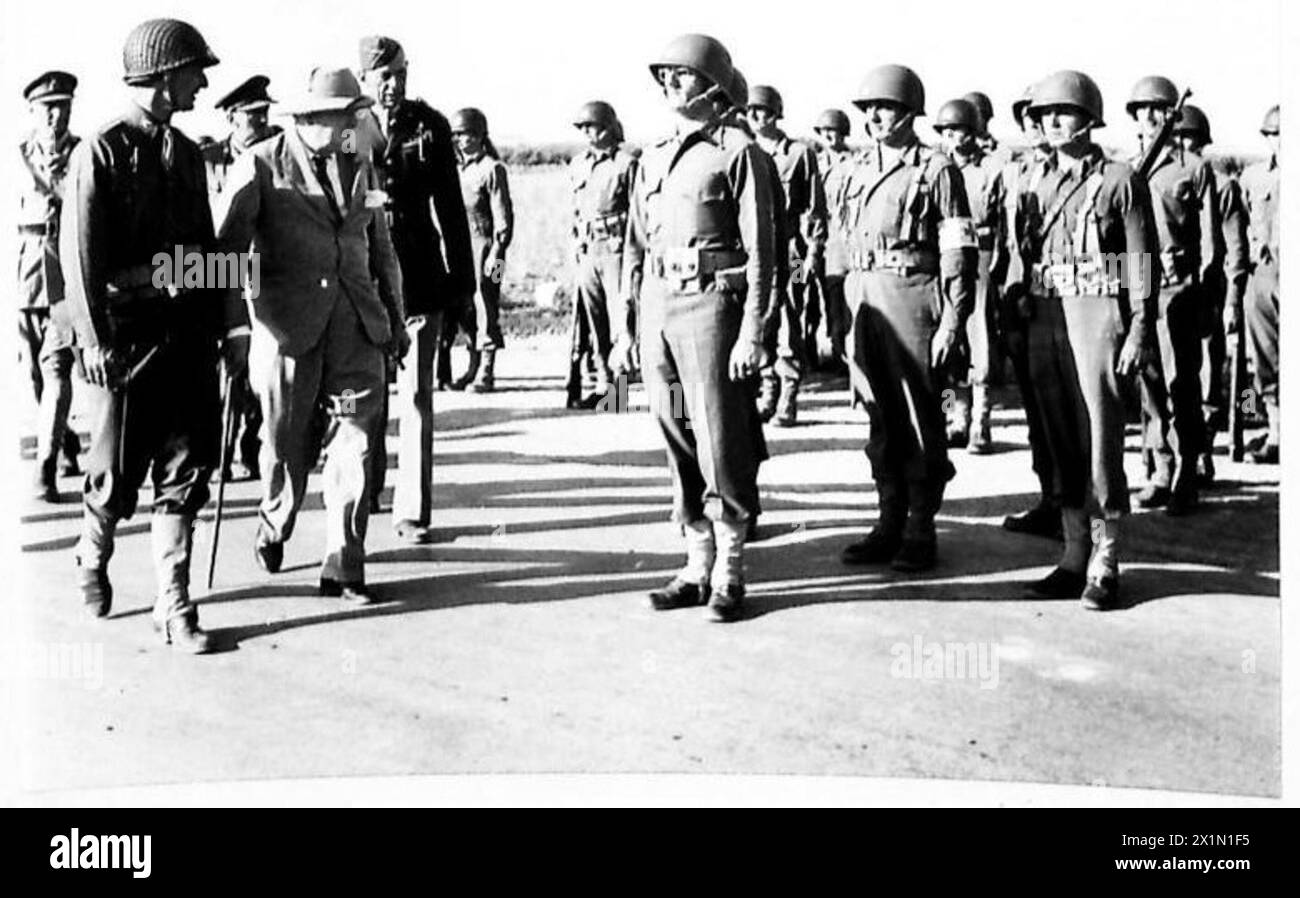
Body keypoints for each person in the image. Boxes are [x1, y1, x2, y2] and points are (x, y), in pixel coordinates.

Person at [61, 18, 246, 652]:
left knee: (185, 470)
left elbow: (207, 252)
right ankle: (92, 550)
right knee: (112, 477)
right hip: (124, 343)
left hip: (186, 339)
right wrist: (92, 343)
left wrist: (232, 325)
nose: (202, 83)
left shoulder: (190, 155)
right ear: (166, 75)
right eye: (197, 71)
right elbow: (80, 261)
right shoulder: (101, 152)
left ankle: (173, 603)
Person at [214, 66, 408, 603]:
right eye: (342, 115)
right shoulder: (259, 165)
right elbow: (226, 251)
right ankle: (275, 519)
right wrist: (233, 327)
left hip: (356, 328)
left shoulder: (363, 165)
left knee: (357, 441)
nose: (353, 123)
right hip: (287, 332)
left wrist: (393, 314)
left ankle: (344, 562)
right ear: (308, 119)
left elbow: (380, 245)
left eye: (354, 114)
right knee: (285, 445)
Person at [618, 33, 776, 622]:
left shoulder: (740, 153)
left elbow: (765, 253)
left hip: (711, 310)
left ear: (712, 85)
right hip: (659, 309)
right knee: (677, 428)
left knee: (719, 436)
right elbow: (635, 248)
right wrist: (626, 328)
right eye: (663, 77)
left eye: (681, 76)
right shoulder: (652, 154)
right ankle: (694, 563)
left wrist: (753, 331)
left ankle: (731, 571)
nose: (669, 86)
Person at [1020, 70, 1159, 609]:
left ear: (1088, 118)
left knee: (1099, 433)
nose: (1052, 122)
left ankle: (1106, 559)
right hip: (1047, 313)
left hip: (1097, 312)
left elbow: (1139, 263)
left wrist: (1140, 328)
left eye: (1064, 113)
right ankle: (1073, 553)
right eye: (1045, 114)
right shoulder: (1037, 179)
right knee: (1058, 435)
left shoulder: (1119, 179)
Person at [837, 64, 977, 573]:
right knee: (880, 415)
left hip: (915, 299)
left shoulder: (937, 170)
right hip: (868, 300)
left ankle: (921, 526)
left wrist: (953, 321)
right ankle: (888, 520)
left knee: (921, 415)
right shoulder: (855, 170)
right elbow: (843, 243)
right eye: (870, 108)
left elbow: (959, 251)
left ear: (910, 112)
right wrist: (843, 314)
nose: (876, 116)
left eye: (887, 107)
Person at [356, 35, 475, 543]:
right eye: (384, 76)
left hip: (421, 281)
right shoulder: (350, 128)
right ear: (364, 79)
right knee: (366, 397)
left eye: (401, 73)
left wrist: (464, 288)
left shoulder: (431, 126)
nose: (394, 84)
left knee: (418, 398)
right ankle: (367, 490)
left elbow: (451, 210)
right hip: (364, 281)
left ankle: (414, 510)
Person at [1127, 76, 1223, 515]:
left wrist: (1204, 293)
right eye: (1141, 109)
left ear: (1172, 114)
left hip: (1179, 290)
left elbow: (1210, 242)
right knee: (1148, 385)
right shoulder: (1129, 168)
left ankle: (1187, 470)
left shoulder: (1194, 169)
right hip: (1141, 289)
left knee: (1181, 383)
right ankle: (1159, 469)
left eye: (1158, 108)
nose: (1149, 116)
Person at [202, 74, 282, 482]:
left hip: (268, 272)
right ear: (232, 119)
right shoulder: (209, 158)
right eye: (253, 116)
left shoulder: (278, 152)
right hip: (224, 270)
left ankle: (251, 446)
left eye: (265, 114)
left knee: (261, 368)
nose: (262, 122)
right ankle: (221, 449)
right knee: (228, 369)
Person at [994, 83, 1061, 540]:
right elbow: (1010, 242)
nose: (1038, 126)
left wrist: (1130, 315)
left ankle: (1088, 527)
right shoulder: (1018, 174)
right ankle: (1050, 500)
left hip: (1069, 311)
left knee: (1073, 421)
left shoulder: (1097, 175)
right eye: (1029, 119)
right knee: (1038, 414)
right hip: (1022, 302)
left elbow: (1132, 256)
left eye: (1046, 116)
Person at [1171, 104, 1249, 482]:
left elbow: (1235, 249)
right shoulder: (1170, 179)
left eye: (1190, 137)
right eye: (1179, 137)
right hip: (1177, 290)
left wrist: (1233, 300)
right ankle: (1182, 454)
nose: (1184, 143)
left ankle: (1207, 449)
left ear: (1202, 141)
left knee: (1210, 375)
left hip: (1210, 295)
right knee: (1182, 374)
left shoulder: (1222, 185)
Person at [18, 70, 83, 501]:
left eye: (63, 106)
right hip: (25, 271)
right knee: (33, 375)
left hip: (63, 271)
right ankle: (63, 443)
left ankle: (45, 468)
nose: (55, 115)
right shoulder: (14, 156)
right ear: (32, 111)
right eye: (48, 108)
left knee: (56, 368)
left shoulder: (82, 154)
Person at [746, 84, 827, 427]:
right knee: (760, 314)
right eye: (750, 110)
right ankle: (766, 389)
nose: (755, 116)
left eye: (762, 110)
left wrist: (814, 252)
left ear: (777, 113)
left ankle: (789, 395)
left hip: (791, 249)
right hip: (755, 249)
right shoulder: (744, 151)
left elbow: (816, 208)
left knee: (791, 318)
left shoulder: (798, 154)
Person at [932, 97, 1003, 454]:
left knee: (981, 342)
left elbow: (1004, 224)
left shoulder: (991, 170)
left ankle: (980, 421)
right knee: (947, 348)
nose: (952, 137)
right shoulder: (935, 168)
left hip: (982, 261)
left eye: (958, 129)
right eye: (946, 130)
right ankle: (950, 417)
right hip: (945, 263)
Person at [566, 100, 637, 409]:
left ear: (608, 127)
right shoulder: (578, 164)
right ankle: (604, 383)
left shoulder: (626, 163)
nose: (587, 133)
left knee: (620, 317)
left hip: (616, 249)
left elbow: (638, 213)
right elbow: (575, 208)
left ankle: (619, 391)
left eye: (591, 127)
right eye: (582, 128)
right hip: (587, 249)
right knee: (594, 323)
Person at [444, 108, 512, 393]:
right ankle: (472, 365)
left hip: (488, 248)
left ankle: (486, 369)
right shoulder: (458, 170)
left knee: (487, 303)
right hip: (461, 248)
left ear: (480, 135)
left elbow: (503, 218)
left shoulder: (492, 169)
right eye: (457, 135)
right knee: (465, 307)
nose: (461, 140)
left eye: (466, 134)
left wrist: (497, 251)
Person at [1240, 105, 1280, 464]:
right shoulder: (1254, 177)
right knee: (1265, 358)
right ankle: (1278, 434)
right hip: (1265, 274)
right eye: (1277, 134)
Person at [811, 108, 855, 371]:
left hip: (840, 243)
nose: (829, 136)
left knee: (842, 296)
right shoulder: (814, 161)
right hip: (810, 245)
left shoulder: (854, 162)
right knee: (804, 297)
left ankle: (843, 352)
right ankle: (809, 351)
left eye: (834, 131)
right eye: (825, 131)